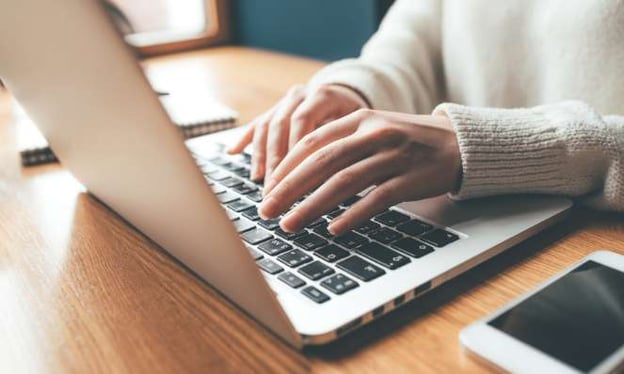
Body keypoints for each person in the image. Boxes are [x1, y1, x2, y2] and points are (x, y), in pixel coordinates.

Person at [227, 0, 624, 236]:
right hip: (469, 213)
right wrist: (353, 90)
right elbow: (411, 44)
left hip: (595, 239)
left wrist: (483, 146)